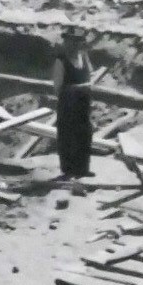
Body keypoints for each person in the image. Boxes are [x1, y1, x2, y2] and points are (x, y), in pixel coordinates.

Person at [52, 33, 94, 182]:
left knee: (84, 134)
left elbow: (90, 76)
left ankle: (82, 168)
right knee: (67, 136)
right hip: (68, 104)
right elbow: (57, 86)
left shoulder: (83, 57)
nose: (74, 45)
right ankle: (68, 170)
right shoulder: (61, 61)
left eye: (77, 42)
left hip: (82, 103)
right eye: (70, 42)